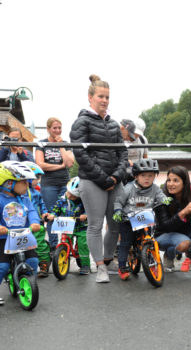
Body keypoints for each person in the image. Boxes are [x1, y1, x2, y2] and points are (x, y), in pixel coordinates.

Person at [69, 74, 128, 283]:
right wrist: (104, 179)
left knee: (115, 224)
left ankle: (108, 258)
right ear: (90, 97)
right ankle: (100, 267)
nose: (105, 100)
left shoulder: (114, 124)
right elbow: (81, 155)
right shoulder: (81, 122)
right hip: (92, 181)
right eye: (101, 96)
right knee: (95, 225)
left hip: (114, 180)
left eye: (107, 97)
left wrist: (116, 176)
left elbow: (123, 153)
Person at [113, 159, 171, 280]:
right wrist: (117, 211)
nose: (147, 178)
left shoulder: (155, 188)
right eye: (143, 175)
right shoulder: (129, 188)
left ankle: (150, 260)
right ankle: (122, 266)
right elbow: (118, 201)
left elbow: (161, 196)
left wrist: (165, 199)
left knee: (149, 239)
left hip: (146, 219)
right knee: (125, 243)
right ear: (136, 176)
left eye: (150, 176)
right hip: (128, 220)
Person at [0, 161, 40, 305]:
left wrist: (35, 222)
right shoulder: (0, 199)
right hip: (4, 238)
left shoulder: (24, 198)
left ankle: (29, 282)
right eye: (23, 182)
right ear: (8, 183)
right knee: (2, 267)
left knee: (33, 261)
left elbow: (32, 211)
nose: (27, 185)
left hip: (23, 236)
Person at [35, 117, 74, 249]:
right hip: (49, 184)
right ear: (48, 129)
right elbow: (40, 165)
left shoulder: (66, 143)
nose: (57, 130)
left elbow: (69, 163)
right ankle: (53, 246)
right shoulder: (42, 144)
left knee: (67, 213)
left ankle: (66, 245)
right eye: (54, 128)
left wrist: (61, 146)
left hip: (64, 183)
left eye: (59, 128)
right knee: (51, 214)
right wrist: (59, 166)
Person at [154, 166, 191, 272]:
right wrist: (184, 212)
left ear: (184, 182)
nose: (171, 184)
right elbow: (165, 226)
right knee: (184, 244)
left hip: (185, 231)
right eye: (169, 180)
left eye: (176, 180)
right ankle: (169, 255)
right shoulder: (162, 196)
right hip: (163, 234)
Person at [47, 177, 90, 275]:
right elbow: (57, 207)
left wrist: (85, 215)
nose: (69, 196)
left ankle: (85, 265)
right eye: (68, 192)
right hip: (67, 226)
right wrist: (53, 214)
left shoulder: (84, 201)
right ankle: (63, 257)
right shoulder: (63, 198)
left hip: (81, 227)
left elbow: (90, 209)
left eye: (73, 196)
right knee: (64, 241)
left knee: (83, 245)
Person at [23, 161, 51, 278]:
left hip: (36, 223)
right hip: (22, 224)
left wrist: (44, 213)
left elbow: (41, 204)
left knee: (39, 244)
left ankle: (44, 264)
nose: (38, 180)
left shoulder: (36, 192)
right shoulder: (20, 193)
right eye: (36, 177)